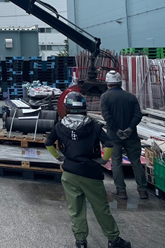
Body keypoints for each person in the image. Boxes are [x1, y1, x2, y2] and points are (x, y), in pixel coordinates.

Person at [45, 92, 132, 248]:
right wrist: (104, 160)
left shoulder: (59, 126)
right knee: (101, 208)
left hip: (70, 173)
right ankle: (113, 240)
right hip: (91, 173)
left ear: (67, 108)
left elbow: (48, 142)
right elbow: (109, 144)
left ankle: (80, 241)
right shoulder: (94, 125)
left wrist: (59, 157)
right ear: (84, 108)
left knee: (76, 209)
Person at [100, 70, 147, 200]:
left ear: (107, 83)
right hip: (131, 136)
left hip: (114, 137)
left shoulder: (105, 97)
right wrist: (130, 128)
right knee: (136, 162)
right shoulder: (131, 97)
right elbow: (138, 115)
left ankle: (121, 191)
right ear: (120, 82)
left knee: (116, 162)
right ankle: (142, 191)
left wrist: (117, 130)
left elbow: (107, 116)